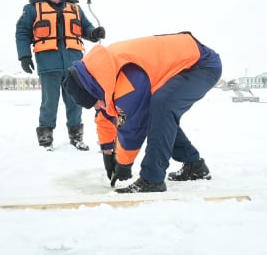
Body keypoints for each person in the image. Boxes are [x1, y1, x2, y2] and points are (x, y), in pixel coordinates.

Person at [63, 31, 222, 192]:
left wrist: (123, 164)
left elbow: (133, 126)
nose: (97, 107)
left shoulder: (126, 77)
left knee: (162, 105)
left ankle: (152, 179)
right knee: (157, 111)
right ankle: (194, 166)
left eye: (94, 103)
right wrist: (107, 151)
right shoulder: (102, 73)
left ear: (92, 90)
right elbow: (106, 114)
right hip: (190, 61)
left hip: (202, 64)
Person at [15, 0, 105, 151]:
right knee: (49, 102)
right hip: (48, 65)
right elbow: (22, 33)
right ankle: (46, 140)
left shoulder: (75, 8)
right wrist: (24, 56)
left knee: (76, 101)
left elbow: (86, 28)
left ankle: (76, 137)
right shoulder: (32, 9)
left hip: (74, 65)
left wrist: (94, 34)